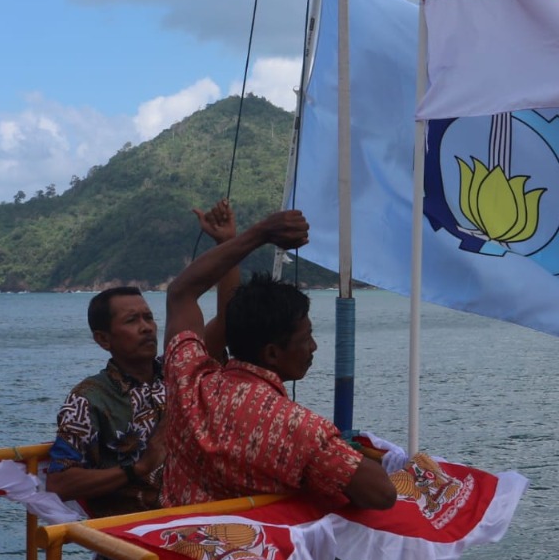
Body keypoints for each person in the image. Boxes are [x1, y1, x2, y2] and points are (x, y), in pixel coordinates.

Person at [46, 202, 240, 560]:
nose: (148, 327)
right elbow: (59, 481)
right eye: (132, 321)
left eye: (150, 317)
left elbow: (230, 320)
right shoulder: (89, 400)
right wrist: (141, 467)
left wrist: (229, 246)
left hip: (196, 551)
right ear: (103, 339)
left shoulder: (180, 371)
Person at [161, 208, 396, 512]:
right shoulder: (302, 431)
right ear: (272, 352)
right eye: (306, 338)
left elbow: (181, 292)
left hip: (175, 551)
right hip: (250, 556)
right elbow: (381, 494)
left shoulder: (188, 383)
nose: (313, 347)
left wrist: (255, 235)